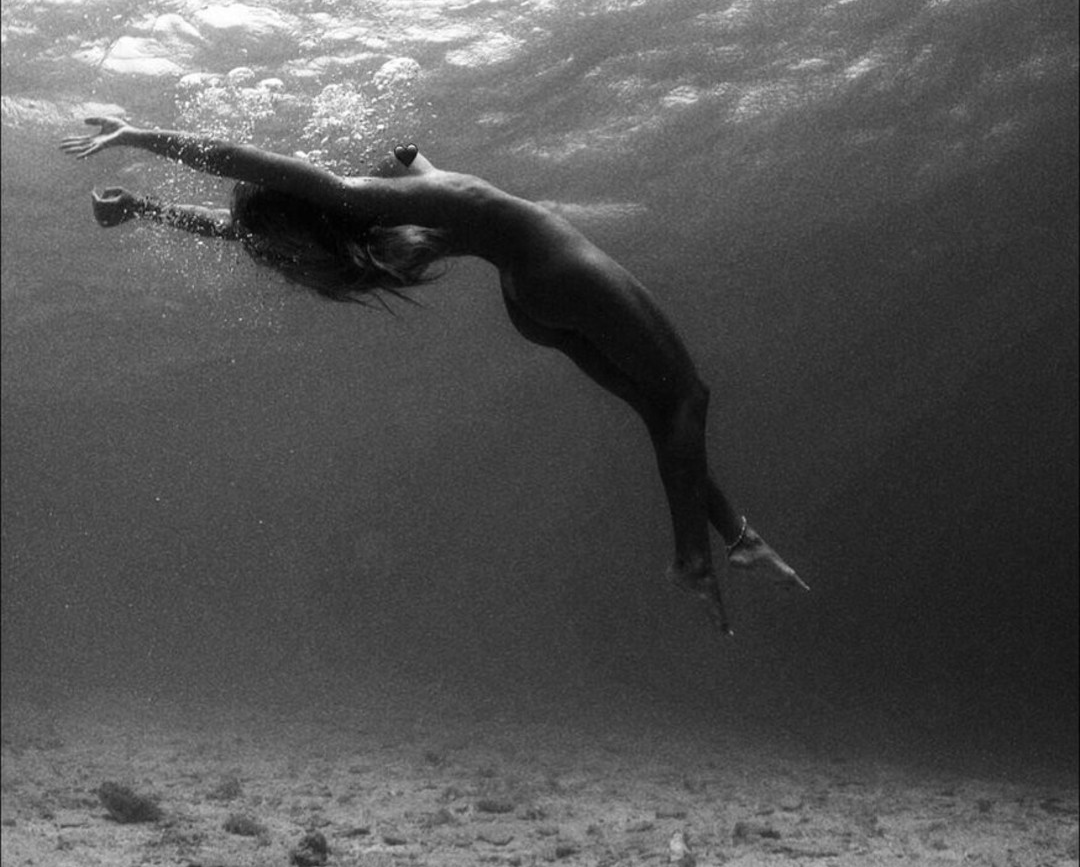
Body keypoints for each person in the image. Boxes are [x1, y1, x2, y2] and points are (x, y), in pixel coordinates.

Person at [62, 115, 807, 634]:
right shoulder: (361, 199)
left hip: (528, 299)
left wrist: (145, 208)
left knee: (657, 407)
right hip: (551, 261)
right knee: (686, 395)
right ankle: (691, 557)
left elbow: (241, 227)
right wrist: (137, 136)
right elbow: (243, 161)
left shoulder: (388, 206)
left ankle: (736, 535)